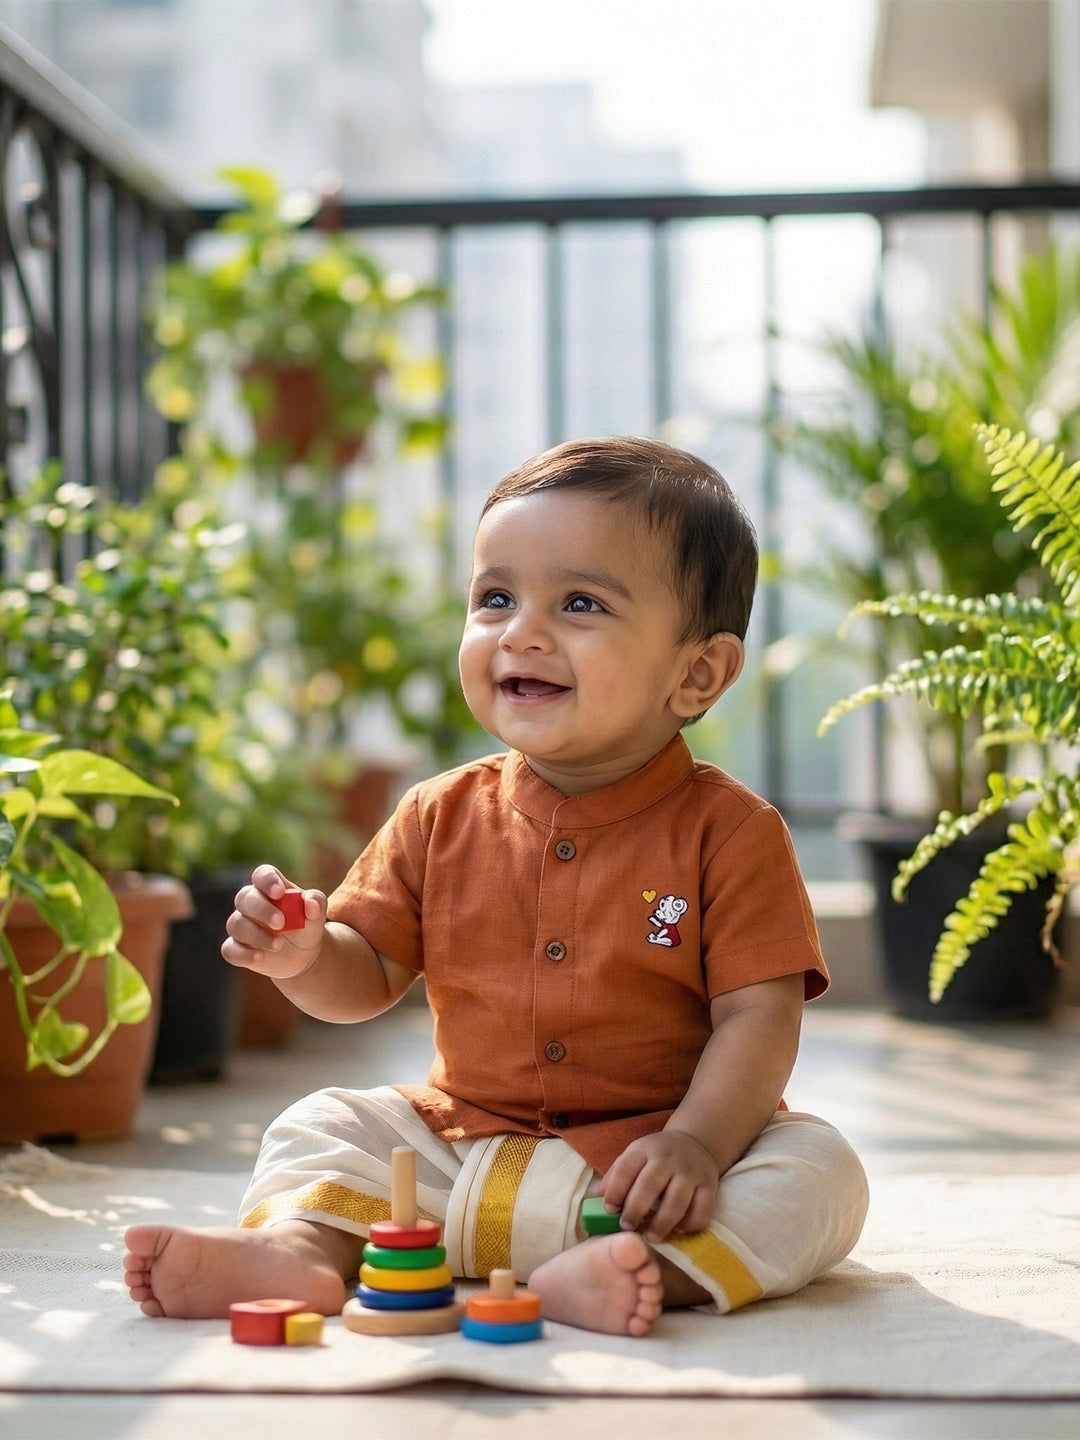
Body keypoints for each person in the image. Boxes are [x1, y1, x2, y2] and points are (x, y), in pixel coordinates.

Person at [123, 437, 868, 1337]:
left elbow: (760, 1017)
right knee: (326, 1121)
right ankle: (303, 1253)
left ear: (697, 672)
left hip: (645, 1179)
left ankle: (638, 1273)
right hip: (454, 1156)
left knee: (818, 1169)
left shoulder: (735, 833)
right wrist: (306, 953)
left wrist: (699, 1146)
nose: (522, 631)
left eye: (581, 603)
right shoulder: (437, 813)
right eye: (496, 598)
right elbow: (360, 981)